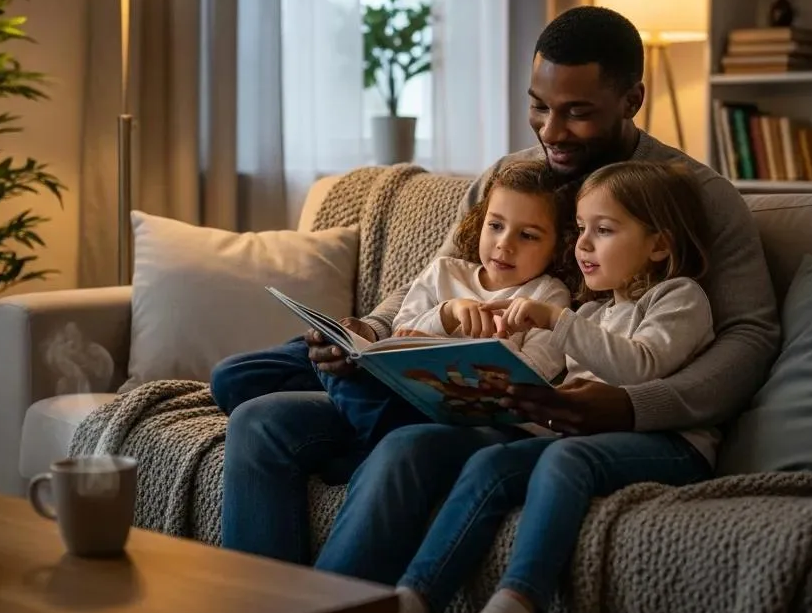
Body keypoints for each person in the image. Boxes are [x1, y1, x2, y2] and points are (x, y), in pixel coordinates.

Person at [209, 6, 780, 613]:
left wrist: (629, 407)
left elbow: (750, 338)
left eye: (577, 114)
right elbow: (441, 280)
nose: (551, 131)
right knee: (259, 418)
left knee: (403, 448)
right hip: (442, 378)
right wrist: (367, 333)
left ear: (632, 101)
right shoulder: (514, 177)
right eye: (539, 108)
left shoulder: (685, 192)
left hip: (529, 409)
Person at [326, 160, 715, 613]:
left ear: (659, 245)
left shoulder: (678, 297)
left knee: (566, 462)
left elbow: (640, 364)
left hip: (669, 443)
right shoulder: (595, 312)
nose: (583, 246)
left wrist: (557, 320)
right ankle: (412, 606)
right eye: (581, 231)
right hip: (588, 436)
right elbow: (569, 386)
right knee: (492, 465)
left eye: (603, 231)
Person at [212, 160, 574, 448]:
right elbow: (402, 330)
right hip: (391, 381)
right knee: (234, 377)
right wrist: (446, 315)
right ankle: (357, 426)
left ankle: (373, 436)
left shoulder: (547, 297)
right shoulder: (445, 272)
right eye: (496, 226)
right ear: (479, 223)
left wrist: (489, 347)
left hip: (437, 408)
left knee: (344, 378)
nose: (504, 244)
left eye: (527, 236)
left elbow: (534, 375)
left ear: (557, 246)